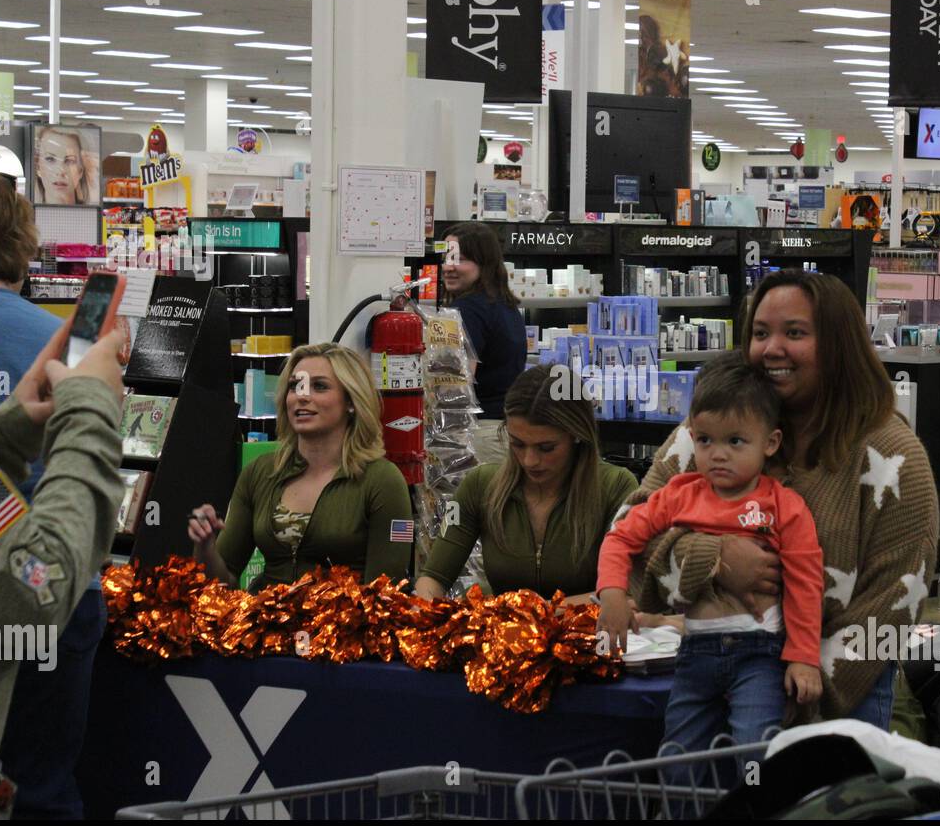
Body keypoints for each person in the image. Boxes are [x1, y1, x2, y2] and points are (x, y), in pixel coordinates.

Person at [617, 271, 939, 728]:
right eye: (760, 332)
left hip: (835, 700)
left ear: (838, 344)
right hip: (705, 681)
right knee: (699, 792)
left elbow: (888, 610)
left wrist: (795, 692)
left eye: (795, 333)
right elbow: (630, 528)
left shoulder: (893, 455)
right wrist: (714, 556)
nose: (772, 349)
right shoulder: (714, 431)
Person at [0, 171, 107, 820]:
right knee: (42, 789)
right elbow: (32, 589)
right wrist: (89, 409)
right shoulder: (52, 337)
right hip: (43, 583)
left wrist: (7, 431)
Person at [597, 354, 823, 750]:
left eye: (735, 441)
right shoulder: (678, 495)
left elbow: (807, 580)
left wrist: (803, 656)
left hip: (760, 654)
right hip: (694, 652)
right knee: (676, 756)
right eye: (705, 440)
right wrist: (612, 594)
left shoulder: (784, 506)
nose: (717, 454)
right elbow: (620, 538)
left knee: (753, 749)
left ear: (770, 443)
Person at [188, 343, 412, 589]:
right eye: (295, 386)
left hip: (343, 624)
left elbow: (387, 594)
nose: (302, 396)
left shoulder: (383, 481)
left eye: (319, 386)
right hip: (264, 621)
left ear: (351, 401)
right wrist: (205, 547)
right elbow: (221, 584)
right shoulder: (260, 472)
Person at [415, 364, 637, 602]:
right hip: (504, 634)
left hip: (587, 636)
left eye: (546, 448)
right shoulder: (478, 486)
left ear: (577, 436)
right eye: (517, 444)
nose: (530, 461)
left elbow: (631, 594)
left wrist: (538, 612)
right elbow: (434, 576)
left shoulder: (617, 488)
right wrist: (423, 608)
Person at [440, 222, 526, 465]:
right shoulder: (504, 305)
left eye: (461, 258)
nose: (449, 266)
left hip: (479, 434)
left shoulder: (467, 310)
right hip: (505, 430)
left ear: (485, 263)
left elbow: (457, 384)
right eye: (447, 257)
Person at [32, 126, 98, 206]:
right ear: (38, 168)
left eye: (69, 161)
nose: (60, 171)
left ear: (80, 170)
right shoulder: (28, 216)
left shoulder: (91, 216)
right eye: (50, 159)